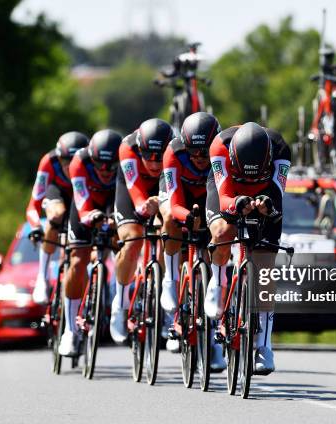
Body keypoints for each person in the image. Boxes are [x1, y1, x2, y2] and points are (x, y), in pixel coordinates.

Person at [204, 122, 291, 375]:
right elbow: (223, 197)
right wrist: (236, 203)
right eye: (247, 172)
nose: (251, 177)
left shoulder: (281, 149)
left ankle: (264, 346)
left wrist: (267, 205)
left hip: (265, 193)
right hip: (229, 191)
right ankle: (217, 283)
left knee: (264, 270)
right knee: (221, 232)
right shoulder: (219, 147)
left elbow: (277, 192)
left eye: (257, 172)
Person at [157, 112, 227, 371]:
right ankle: (171, 281)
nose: (198, 158)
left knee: (219, 245)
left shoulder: (222, 153)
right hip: (181, 199)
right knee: (169, 219)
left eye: (204, 153)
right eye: (193, 152)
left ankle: (215, 342)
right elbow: (173, 203)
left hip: (210, 198)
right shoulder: (173, 153)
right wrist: (188, 217)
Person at [56, 129, 122, 356]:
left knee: (124, 243)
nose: (105, 170)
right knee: (78, 259)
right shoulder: (78, 162)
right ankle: (70, 330)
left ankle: (120, 303)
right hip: (86, 204)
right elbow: (82, 201)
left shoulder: (126, 162)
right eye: (99, 164)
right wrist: (90, 217)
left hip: (113, 200)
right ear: (91, 158)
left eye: (111, 165)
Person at [110, 118, 174, 343]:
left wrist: (162, 206)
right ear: (139, 149)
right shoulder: (127, 148)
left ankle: (169, 300)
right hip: (132, 189)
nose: (155, 164)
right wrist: (145, 206)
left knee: (170, 235)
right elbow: (136, 193)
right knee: (133, 239)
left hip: (162, 189)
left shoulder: (176, 150)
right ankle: (120, 302)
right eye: (148, 157)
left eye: (160, 158)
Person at [26, 132, 89, 305]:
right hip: (59, 193)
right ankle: (42, 277)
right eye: (64, 161)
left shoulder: (91, 162)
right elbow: (33, 205)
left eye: (74, 161)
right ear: (58, 158)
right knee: (56, 215)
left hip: (82, 196)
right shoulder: (49, 161)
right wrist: (35, 226)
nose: (69, 167)